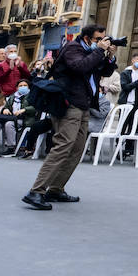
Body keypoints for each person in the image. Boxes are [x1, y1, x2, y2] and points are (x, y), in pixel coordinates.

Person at [21, 24, 117, 210]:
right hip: (68, 104)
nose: (101, 42)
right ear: (88, 38)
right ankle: (36, 191)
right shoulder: (73, 48)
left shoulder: (93, 51)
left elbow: (104, 72)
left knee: (77, 149)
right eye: (98, 39)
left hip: (84, 105)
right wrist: (99, 51)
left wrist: (110, 56)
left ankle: (56, 189)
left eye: (103, 39)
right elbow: (79, 67)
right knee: (63, 146)